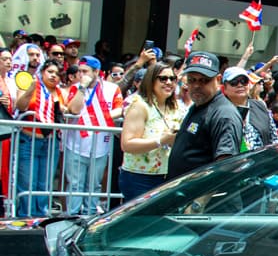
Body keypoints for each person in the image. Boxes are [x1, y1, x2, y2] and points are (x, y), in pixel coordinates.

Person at [166, 52, 243, 180]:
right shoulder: (199, 105)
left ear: (218, 80)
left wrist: (200, 200)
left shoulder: (223, 114)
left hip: (203, 197)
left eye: (204, 80)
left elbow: (224, 167)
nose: (196, 86)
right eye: (192, 80)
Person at [63, 56, 124, 214]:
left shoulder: (112, 88)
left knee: (94, 184)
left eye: (85, 71)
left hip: (100, 146)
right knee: (75, 183)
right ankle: (72, 216)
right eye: (80, 71)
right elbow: (74, 110)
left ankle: (89, 215)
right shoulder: (76, 87)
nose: (82, 75)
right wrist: (82, 88)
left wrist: (100, 118)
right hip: (76, 144)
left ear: (96, 72)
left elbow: (120, 109)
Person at [118, 63, 183, 201]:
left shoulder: (176, 107)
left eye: (173, 78)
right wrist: (161, 141)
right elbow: (127, 144)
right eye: (163, 79)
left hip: (167, 175)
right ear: (151, 80)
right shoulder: (140, 105)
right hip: (139, 177)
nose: (169, 82)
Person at [14, 61, 65, 216]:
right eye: (50, 71)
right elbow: (21, 106)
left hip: (50, 142)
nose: (53, 75)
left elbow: (69, 110)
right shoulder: (30, 85)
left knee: (44, 183)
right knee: (28, 182)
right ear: (42, 72)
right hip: (29, 140)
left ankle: (40, 216)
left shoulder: (59, 92)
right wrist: (31, 89)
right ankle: (26, 217)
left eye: (57, 73)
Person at [222, 66, 276, 151]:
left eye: (244, 81)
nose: (240, 85)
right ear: (224, 88)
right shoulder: (218, 111)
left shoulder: (260, 106)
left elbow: (274, 139)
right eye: (234, 82)